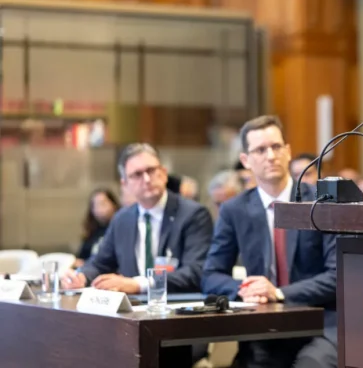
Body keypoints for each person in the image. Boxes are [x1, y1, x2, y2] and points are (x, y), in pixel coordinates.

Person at [202, 115, 337, 368]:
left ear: (288, 151)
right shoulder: (234, 210)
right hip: (264, 329)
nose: (271, 156)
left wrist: (277, 292)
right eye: (261, 150)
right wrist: (249, 288)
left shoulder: (320, 202)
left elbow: (337, 275)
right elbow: (211, 275)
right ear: (246, 160)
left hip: (320, 325)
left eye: (276, 147)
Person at [61, 143, 213, 294]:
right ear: (125, 184)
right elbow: (99, 263)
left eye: (151, 170)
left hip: (177, 305)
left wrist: (138, 284)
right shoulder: (122, 219)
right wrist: (81, 277)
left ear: (164, 174)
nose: (146, 179)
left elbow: (195, 272)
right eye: (137, 174)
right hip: (133, 307)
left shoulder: (193, 214)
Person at [75, 188, 120, 268]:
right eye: (95, 206)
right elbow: (81, 258)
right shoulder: (92, 232)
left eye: (103, 204)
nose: (99, 209)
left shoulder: (120, 229)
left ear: (113, 204)